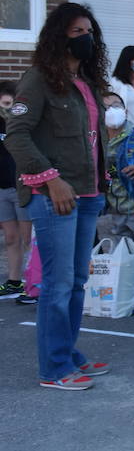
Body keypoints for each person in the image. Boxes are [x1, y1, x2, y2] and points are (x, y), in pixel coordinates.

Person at [6, 3, 111, 389]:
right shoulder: (38, 79)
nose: (87, 38)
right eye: (77, 32)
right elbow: (16, 134)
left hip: (88, 194)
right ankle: (54, 368)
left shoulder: (86, 82)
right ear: (58, 37)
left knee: (77, 282)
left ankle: (67, 354)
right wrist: (51, 179)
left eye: (90, 32)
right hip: (55, 196)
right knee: (58, 283)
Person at [95, 90, 134, 315]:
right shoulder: (97, 140)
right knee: (124, 254)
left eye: (116, 105)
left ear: (126, 110)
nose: (112, 110)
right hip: (116, 207)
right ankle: (130, 291)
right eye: (107, 106)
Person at [0, 81, 31, 299]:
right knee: (10, 237)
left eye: (9, 103)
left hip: (21, 186)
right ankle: (14, 281)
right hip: (2, 188)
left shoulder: (21, 124)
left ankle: (33, 282)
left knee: (28, 237)